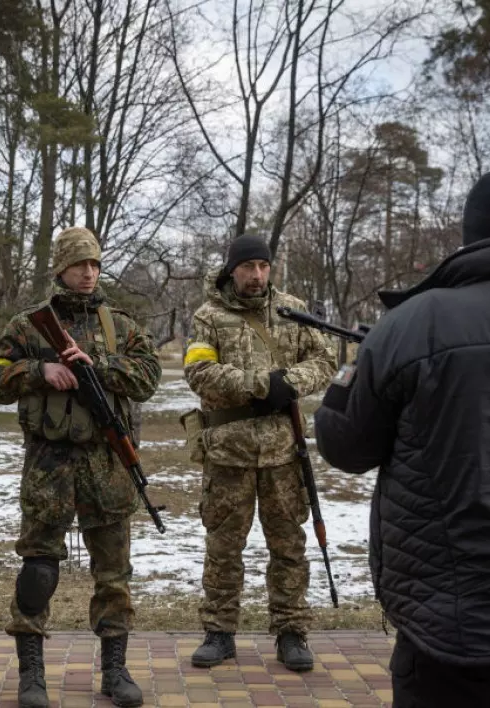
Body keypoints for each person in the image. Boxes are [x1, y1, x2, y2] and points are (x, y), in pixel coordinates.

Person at [313, 164, 490, 708]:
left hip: (447, 617)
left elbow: (345, 445)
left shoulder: (411, 323)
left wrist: (354, 369)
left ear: (472, 231)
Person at [0, 226, 161, 708]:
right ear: (60, 267)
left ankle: (115, 670)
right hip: (49, 466)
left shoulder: (119, 325)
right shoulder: (27, 325)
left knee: (113, 573)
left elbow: (148, 377)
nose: (88, 272)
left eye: (95, 264)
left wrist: (96, 365)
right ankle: (32, 674)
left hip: (107, 465)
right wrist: (39, 372)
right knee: (39, 568)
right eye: (80, 264)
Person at [182, 234, 335, 672]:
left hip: (283, 456)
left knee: (288, 547)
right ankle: (219, 632)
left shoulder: (292, 309)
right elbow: (199, 370)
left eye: (264, 267)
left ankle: (291, 632)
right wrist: (261, 385)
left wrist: (291, 382)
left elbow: (325, 360)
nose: (257, 275)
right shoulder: (209, 317)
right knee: (223, 548)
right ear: (232, 269)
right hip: (228, 454)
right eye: (248, 267)